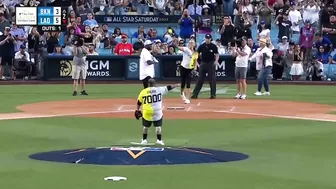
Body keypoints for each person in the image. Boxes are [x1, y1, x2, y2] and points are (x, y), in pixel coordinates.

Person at [135, 78, 180, 145]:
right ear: (154, 84)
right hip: (157, 111)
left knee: (145, 127)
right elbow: (169, 87)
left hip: (147, 111)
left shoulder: (143, 92)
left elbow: (139, 102)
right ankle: (159, 140)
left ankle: (144, 140)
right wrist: (176, 85)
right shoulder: (159, 90)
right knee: (158, 126)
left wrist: (137, 110)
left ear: (148, 84)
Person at [191, 34, 219, 99]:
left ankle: (213, 94)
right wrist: (197, 62)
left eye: (208, 38)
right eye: (206, 38)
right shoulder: (202, 46)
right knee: (200, 79)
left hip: (211, 63)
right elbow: (196, 53)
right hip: (203, 63)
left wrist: (216, 61)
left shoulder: (213, 46)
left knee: (212, 79)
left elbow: (217, 54)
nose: (207, 39)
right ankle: (195, 94)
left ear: (210, 39)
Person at [175, 39, 198, 104]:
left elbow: (195, 61)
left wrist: (195, 68)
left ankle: (188, 99)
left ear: (194, 44)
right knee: (183, 82)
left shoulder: (195, 52)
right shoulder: (186, 49)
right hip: (183, 67)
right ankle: (181, 93)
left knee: (188, 83)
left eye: (192, 43)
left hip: (190, 68)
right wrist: (176, 45)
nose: (191, 44)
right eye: (190, 42)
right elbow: (179, 48)